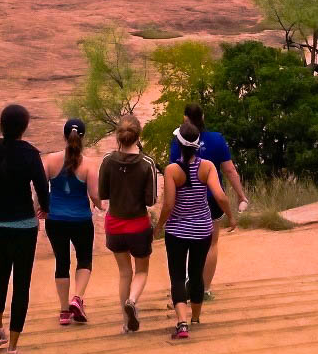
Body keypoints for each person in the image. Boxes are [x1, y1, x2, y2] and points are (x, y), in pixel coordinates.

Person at [0, 104, 49, 354]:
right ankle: (13, 348)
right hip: (23, 224)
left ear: (1, 124)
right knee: (22, 282)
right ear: (24, 126)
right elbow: (42, 187)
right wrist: (45, 210)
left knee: (1, 271)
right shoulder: (30, 154)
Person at [158, 122, 236, 339]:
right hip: (203, 229)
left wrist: (159, 226)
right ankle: (196, 317)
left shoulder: (172, 170)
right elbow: (220, 196)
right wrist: (230, 216)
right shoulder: (208, 167)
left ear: (179, 144)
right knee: (196, 274)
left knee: (177, 275)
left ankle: (182, 324)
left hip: (177, 231)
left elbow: (168, 204)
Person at [165, 103, 248, 300]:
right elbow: (229, 170)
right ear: (202, 117)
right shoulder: (217, 139)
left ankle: (184, 284)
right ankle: (204, 288)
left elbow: (172, 172)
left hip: (183, 199)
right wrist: (240, 195)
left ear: (186, 118)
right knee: (211, 243)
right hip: (211, 198)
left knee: (182, 240)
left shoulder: (178, 141)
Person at [93, 114, 158, 334]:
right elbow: (151, 200)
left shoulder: (107, 161)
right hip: (138, 224)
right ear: (138, 136)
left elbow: (103, 194)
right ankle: (132, 300)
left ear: (118, 136)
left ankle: (125, 321)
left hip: (115, 224)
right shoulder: (146, 164)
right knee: (141, 271)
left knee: (124, 273)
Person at [42, 117, 97, 326]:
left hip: (55, 219)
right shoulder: (89, 164)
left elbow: (39, 188)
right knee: (84, 260)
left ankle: (64, 311)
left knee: (62, 262)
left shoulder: (49, 160)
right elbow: (95, 195)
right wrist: (102, 205)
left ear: (64, 136)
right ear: (83, 137)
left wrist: (41, 208)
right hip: (81, 219)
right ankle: (78, 298)